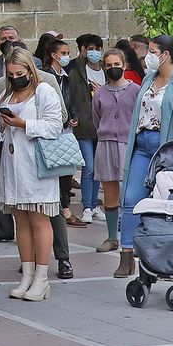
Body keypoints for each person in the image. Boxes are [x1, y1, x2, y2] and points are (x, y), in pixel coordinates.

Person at [116, 35, 173, 280]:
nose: (146, 56)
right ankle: (126, 253)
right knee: (130, 197)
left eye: (152, 51)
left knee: (164, 201)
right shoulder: (149, 78)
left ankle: (162, 253)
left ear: (166, 55)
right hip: (142, 144)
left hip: (166, 146)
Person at [0, 48, 65, 301]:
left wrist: (23, 124)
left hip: (36, 165)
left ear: (30, 71)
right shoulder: (6, 93)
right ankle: (26, 273)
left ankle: (42, 278)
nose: (15, 78)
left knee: (38, 220)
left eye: (20, 73)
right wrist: (2, 124)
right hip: (13, 166)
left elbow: (56, 126)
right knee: (20, 221)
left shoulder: (43, 91)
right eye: (11, 74)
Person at [33, 34, 74, 279]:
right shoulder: (1, 83)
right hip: (20, 158)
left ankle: (63, 258)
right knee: (26, 213)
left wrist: (30, 125)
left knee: (55, 205)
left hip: (47, 151)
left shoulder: (47, 80)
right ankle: (33, 259)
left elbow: (62, 114)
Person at [93, 48, 139, 256]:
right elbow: (97, 118)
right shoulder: (100, 93)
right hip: (105, 144)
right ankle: (112, 237)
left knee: (130, 194)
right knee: (110, 193)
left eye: (116, 65)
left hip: (128, 144)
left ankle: (134, 238)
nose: (113, 68)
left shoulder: (136, 90)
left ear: (124, 65)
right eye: (109, 65)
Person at [66, 33, 105, 225]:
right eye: (91, 49)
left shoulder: (107, 71)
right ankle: (87, 206)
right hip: (83, 126)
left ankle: (95, 204)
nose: (95, 53)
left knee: (99, 168)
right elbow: (71, 98)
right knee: (88, 167)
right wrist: (75, 117)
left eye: (98, 49)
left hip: (103, 126)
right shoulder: (76, 73)